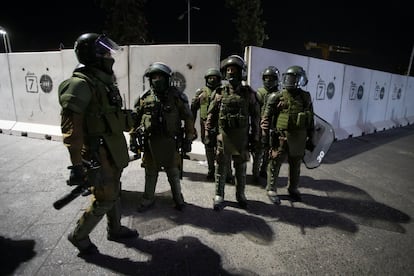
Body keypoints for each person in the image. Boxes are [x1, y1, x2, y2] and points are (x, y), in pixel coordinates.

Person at [58, 33, 138, 255]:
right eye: (104, 52)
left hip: (112, 150)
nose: (109, 56)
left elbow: (112, 116)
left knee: (114, 192)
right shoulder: (79, 85)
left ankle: (116, 229)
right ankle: (78, 236)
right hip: (97, 153)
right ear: (92, 56)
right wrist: (76, 165)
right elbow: (71, 132)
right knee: (105, 197)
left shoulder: (103, 84)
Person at [130, 62, 196, 212]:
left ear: (167, 78)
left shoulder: (177, 97)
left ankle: (178, 199)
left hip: (170, 142)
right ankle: (148, 199)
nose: (156, 80)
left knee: (173, 171)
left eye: (159, 76)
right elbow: (134, 120)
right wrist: (133, 139)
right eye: (153, 77)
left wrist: (188, 139)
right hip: (150, 142)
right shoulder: (144, 98)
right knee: (150, 171)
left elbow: (188, 118)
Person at [205, 55, 261, 211]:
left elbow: (256, 117)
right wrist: (208, 134)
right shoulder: (219, 93)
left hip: (241, 138)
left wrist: (256, 136)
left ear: (241, 72)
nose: (231, 73)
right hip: (224, 137)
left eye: (234, 70)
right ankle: (219, 194)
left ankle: (240, 195)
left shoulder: (248, 93)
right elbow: (211, 115)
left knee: (241, 169)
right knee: (221, 167)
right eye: (228, 70)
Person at [261, 65, 315, 205]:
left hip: (299, 137)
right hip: (281, 136)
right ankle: (271, 188)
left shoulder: (305, 97)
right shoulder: (276, 96)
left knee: (296, 164)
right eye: (289, 77)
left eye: (294, 78)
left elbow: (310, 119)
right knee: (275, 162)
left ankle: (293, 188)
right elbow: (266, 119)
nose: (290, 81)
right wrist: (264, 138)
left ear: (301, 80)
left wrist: (311, 138)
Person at [190, 68, 233, 182]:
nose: (212, 80)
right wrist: (191, 126)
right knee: (208, 147)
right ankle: (211, 170)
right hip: (205, 124)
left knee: (224, 149)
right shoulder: (201, 92)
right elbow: (193, 109)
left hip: (221, 123)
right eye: (210, 78)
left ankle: (228, 173)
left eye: (214, 78)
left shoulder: (224, 91)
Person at [251, 66, 280, 183]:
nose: (268, 80)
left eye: (271, 78)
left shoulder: (279, 94)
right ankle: (255, 174)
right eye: (266, 78)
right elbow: (254, 111)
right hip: (260, 126)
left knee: (269, 151)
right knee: (258, 152)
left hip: (274, 127)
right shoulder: (259, 93)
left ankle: (263, 170)